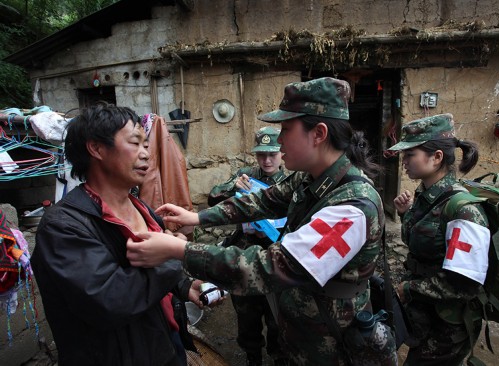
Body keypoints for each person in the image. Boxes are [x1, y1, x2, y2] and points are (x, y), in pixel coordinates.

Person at [127, 77, 398, 365]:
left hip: (329, 342)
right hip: (300, 328)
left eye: (286, 130)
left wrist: (178, 251)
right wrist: (198, 217)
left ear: (318, 133)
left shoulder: (352, 207)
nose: (279, 141)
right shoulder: (312, 177)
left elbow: (272, 267)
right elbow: (264, 200)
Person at [30, 103, 221, 366]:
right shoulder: (62, 226)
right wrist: (173, 255)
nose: (146, 154)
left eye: (146, 145)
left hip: (164, 342)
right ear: (96, 148)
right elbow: (109, 301)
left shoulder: (142, 208)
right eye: (136, 143)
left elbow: (153, 271)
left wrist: (185, 285)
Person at [388, 114, 490, 365]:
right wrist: (405, 215)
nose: (404, 162)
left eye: (410, 154)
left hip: (447, 329)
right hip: (425, 316)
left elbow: (464, 283)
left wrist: (408, 289)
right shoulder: (426, 196)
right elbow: (418, 245)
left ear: (436, 158)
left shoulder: (463, 210)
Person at [208, 126, 286, 366]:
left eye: (272, 153)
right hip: (244, 254)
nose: (267, 160)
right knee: (246, 311)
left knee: (277, 315)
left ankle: (279, 356)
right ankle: (253, 357)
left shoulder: (291, 180)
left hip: (277, 254)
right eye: (262, 154)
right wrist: (233, 187)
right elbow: (212, 197)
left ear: (282, 153)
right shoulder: (245, 175)